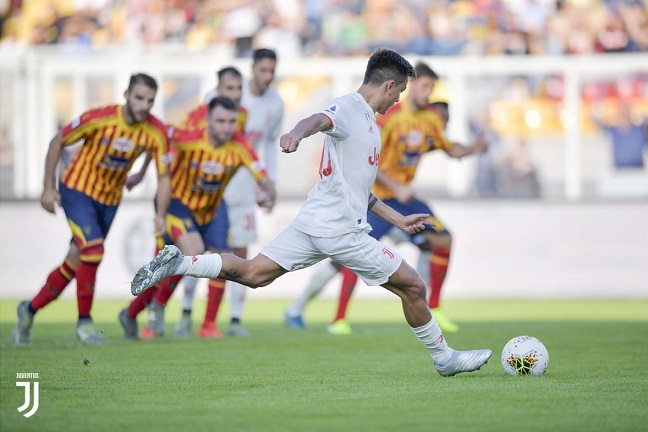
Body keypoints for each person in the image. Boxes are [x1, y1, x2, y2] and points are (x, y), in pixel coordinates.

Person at [130, 49, 492, 377]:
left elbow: (359, 191)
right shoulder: (350, 108)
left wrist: (398, 219)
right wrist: (295, 133)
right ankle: (444, 357)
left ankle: (178, 263)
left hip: (314, 222)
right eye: (398, 94)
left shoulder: (367, 121)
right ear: (389, 85)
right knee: (413, 285)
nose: (398, 101)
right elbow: (319, 120)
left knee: (255, 273)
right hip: (340, 231)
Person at [284, 64, 486, 335]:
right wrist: (396, 186)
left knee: (441, 239)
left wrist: (473, 148)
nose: (428, 93)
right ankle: (329, 316)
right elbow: (368, 161)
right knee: (346, 257)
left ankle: (434, 307)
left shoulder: (430, 120)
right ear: (409, 86)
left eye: (431, 88)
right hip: (377, 198)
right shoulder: (388, 118)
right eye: (424, 86)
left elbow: (449, 148)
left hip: (405, 201)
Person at [12, 73, 171, 345]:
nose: (145, 105)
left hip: (109, 201)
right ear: (126, 95)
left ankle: (29, 310)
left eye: (150, 100)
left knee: (77, 260)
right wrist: (48, 187)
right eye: (139, 98)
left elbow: (164, 174)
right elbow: (56, 142)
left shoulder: (155, 131)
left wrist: (159, 213)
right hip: (77, 191)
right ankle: (84, 322)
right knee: (94, 250)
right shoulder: (99, 118)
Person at [119, 96, 275, 341]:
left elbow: (263, 176)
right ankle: (154, 309)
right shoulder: (186, 138)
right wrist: (140, 172)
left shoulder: (240, 145)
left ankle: (202, 324)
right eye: (221, 121)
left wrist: (268, 194)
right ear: (208, 120)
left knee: (220, 258)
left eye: (231, 122)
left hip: (210, 211)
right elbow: (158, 137)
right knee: (191, 252)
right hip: (177, 207)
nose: (226, 127)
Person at [177, 48, 284, 338]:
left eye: (272, 70)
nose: (267, 76)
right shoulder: (223, 100)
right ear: (251, 69)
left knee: (239, 256)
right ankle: (186, 313)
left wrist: (268, 185)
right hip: (214, 191)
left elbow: (269, 145)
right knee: (203, 254)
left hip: (246, 191)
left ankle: (234, 319)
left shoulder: (276, 104)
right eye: (262, 70)